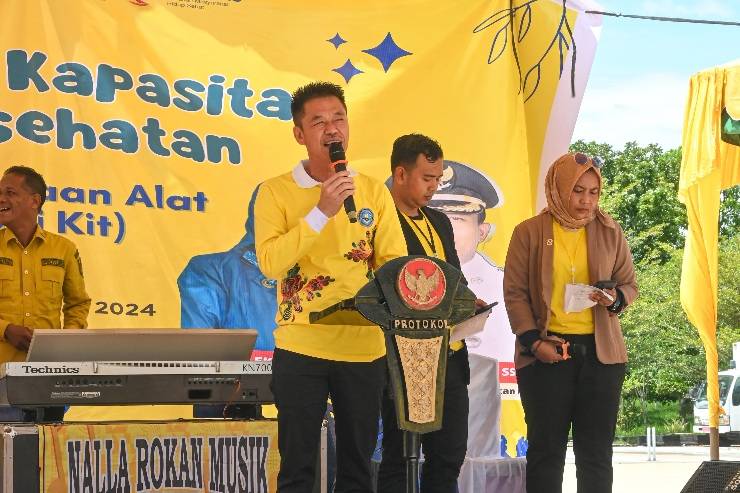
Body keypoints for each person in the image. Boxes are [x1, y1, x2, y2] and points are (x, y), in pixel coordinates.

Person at [253, 81, 406, 492]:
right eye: (319, 121)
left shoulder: (372, 191)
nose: (332, 128)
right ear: (299, 134)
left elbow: (393, 263)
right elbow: (270, 262)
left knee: (357, 468)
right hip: (301, 344)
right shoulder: (275, 192)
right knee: (297, 468)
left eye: (339, 118)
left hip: (364, 348)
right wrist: (322, 211)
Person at [503, 152, 638, 493]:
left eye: (593, 192)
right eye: (578, 191)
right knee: (546, 453)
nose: (586, 201)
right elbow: (515, 293)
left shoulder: (610, 231)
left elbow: (629, 285)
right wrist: (534, 343)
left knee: (596, 454)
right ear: (559, 188)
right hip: (548, 351)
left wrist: (614, 298)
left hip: (602, 356)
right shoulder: (529, 232)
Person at [377, 133, 471, 492]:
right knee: (401, 458)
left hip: (451, 355)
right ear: (400, 174)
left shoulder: (439, 221)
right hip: (406, 359)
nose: (434, 187)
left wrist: (468, 301)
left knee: (448, 456)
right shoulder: (381, 221)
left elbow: (455, 279)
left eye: (437, 179)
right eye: (427, 178)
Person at [428, 160, 511, 460]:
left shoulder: (502, 285)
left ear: (482, 230)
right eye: (435, 218)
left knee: (466, 459)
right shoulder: (409, 276)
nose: (446, 229)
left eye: (457, 219)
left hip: (472, 383)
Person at [0, 166, 91, 420]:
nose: (1, 199)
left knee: (47, 443)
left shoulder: (64, 248)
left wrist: (65, 342)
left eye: (10, 192)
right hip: (1, 375)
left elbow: (78, 304)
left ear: (34, 201)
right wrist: (5, 329)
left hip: (48, 377)